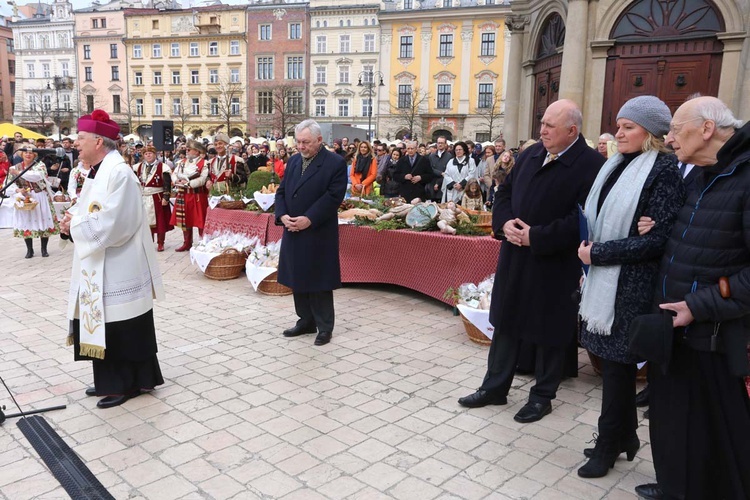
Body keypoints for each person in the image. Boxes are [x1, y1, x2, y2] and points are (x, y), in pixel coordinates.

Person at [458, 99, 604, 423]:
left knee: (549, 330)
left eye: (550, 126)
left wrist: (535, 236)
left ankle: (542, 396)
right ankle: (494, 387)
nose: (542, 130)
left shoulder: (590, 164)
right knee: (507, 324)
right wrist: (505, 221)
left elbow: (582, 220)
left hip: (554, 263)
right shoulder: (531, 154)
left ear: (572, 130)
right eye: (542, 124)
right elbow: (504, 193)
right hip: (515, 255)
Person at [634, 97, 750, 500]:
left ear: (705, 129)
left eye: (675, 129)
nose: (668, 138)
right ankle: (676, 485)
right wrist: (654, 225)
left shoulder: (746, 175)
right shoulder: (700, 174)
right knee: (671, 420)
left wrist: (699, 306)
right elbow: (687, 236)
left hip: (714, 334)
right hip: (675, 329)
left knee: (712, 430)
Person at [575, 96, 685, 478]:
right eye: (618, 126)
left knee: (619, 367)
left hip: (634, 286)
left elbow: (657, 240)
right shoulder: (617, 166)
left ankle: (610, 442)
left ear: (651, 133)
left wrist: (598, 254)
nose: (618, 133)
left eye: (628, 127)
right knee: (616, 369)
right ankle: (623, 436)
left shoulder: (664, 171)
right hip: (606, 283)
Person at [60, 109, 165, 409]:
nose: (76, 143)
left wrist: (76, 226)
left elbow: (115, 224)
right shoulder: (98, 171)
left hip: (119, 264)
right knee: (110, 323)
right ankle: (121, 379)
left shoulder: (118, 173)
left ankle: (125, 383)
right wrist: (71, 222)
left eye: (81, 138)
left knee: (121, 325)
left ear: (99, 142)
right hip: (102, 263)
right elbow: (89, 210)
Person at [275, 119, 347, 347]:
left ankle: (325, 327)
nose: (300, 146)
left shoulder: (334, 163)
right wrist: (282, 215)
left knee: (319, 279)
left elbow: (333, 197)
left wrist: (310, 219)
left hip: (318, 231)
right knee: (298, 277)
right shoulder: (295, 161)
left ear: (319, 140)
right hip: (293, 228)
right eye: (298, 142)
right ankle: (305, 320)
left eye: (305, 142)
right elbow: (282, 191)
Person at [7, 147, 60, 258]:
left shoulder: (39, 166)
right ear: (21, 154)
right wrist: (17, 190)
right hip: (25, 197)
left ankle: (44, 249)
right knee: (27, 221)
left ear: (35, 155)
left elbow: (36, 177)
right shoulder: (15, 167)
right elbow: (8, 184)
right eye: (26, 152)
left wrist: (18, 172)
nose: (28, 154)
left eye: (31, 153)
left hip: (39, 196)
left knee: (43, 220)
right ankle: (29, 250)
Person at [170, 140, 209, 252]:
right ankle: (187, 243)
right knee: (184, 220)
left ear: (197, 151)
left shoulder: (204, 163)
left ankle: (203, 242)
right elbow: (174, 174)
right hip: (183, 194)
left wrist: (187, 184)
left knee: (200, 220)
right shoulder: (182, 162)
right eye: (186, 149)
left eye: (189, 149)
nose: (186, 151)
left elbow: (202, 179)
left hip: (197, 195)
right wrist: (177, 181)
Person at [134, 146, 173, 252]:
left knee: (160, 222)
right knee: (145, 222)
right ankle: (148, 243)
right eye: (146, 154)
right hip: (143, 197)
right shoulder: (138, 167)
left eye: (150, 153)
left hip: (157, 197)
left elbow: (167, 184)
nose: (148, 155)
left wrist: (166, 197)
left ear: (155, 154)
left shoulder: (163, 167)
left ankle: (161, 243)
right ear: (143, 156)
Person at [427, 136, 453, 202]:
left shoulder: (449, 156)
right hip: (432, 183)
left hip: (443, 183)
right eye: (438, 143)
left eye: (442, 143)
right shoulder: (432, 156)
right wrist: (440, 173)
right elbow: (430, 169)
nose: (440, 144)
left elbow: (448, 172)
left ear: (445, 144)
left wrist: (438, 183)